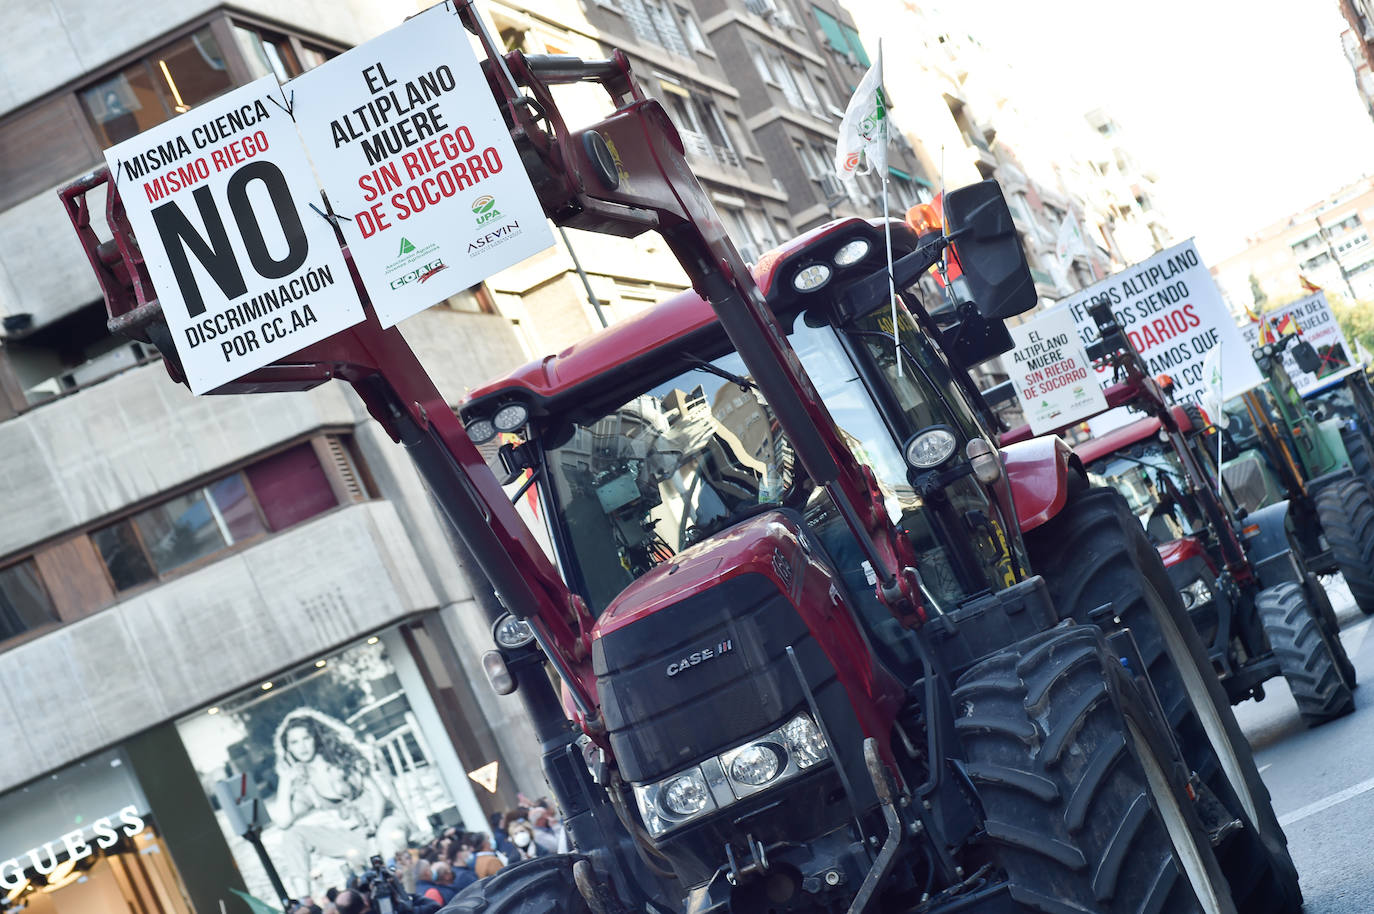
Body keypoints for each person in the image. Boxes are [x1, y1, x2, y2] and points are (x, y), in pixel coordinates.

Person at [268, 709, 413, 898]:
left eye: (306, 738)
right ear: (288, 749)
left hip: (384, 822)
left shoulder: (343, 759)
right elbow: (283, 822)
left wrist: (373, 829)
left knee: (386, 838)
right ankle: (303, 902)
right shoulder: (305, 784)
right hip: (356, 838)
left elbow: (378, 797)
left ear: (316, 738)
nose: (302, 746)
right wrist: (285, 781)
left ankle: (402, 892)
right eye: (294, 742)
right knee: (292, 835)